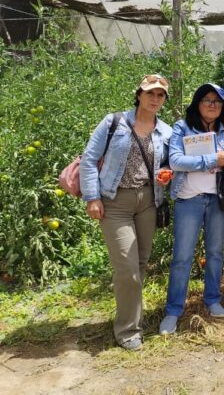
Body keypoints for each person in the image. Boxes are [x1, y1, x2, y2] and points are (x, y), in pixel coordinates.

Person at [80, 74, 173, 351]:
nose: (155, 99)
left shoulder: (165, 131)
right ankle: (128, 330)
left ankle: (131, 316)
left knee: (140, 263)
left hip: (148, 201)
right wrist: (92, 197)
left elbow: (168, 165)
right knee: (127, 268)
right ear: (139, 95)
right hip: (115, 201)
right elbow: (89, 159)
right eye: (150, 93)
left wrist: (166, 176)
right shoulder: (114, 122)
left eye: (160, 95)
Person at [159, 83, 224, 335]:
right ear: (197, 103)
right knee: (182, 257)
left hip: (217, 198)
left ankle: (212, 299)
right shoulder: (182, 127)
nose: (212, 105)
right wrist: (211, 160)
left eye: (217, 101)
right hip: (189, 198)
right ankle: (174, 310)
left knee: (215, 252)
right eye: (207, 100)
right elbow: (175, 161)